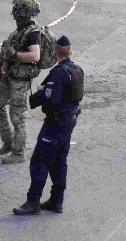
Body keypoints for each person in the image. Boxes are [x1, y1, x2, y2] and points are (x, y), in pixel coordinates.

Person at [13, 36, 82, 215]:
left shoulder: (58, 73)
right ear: (70, 51)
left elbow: (50, 99)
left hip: (55, 123)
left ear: (54, 52)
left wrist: (38, 93)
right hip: (69, 121)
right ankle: (56, 200)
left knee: (40, 160)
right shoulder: (77, 70)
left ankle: (33, 201)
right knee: (59, 160)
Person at [0, 0, 42, 165]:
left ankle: (18, 152)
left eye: (17, 9)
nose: (13, 12)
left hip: (20, 80)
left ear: (23, 12)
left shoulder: (32, 33)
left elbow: (35, 55)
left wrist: (14, 55)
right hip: (9, 75)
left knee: (17, 116)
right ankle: (8, 141)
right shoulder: (19, 30)